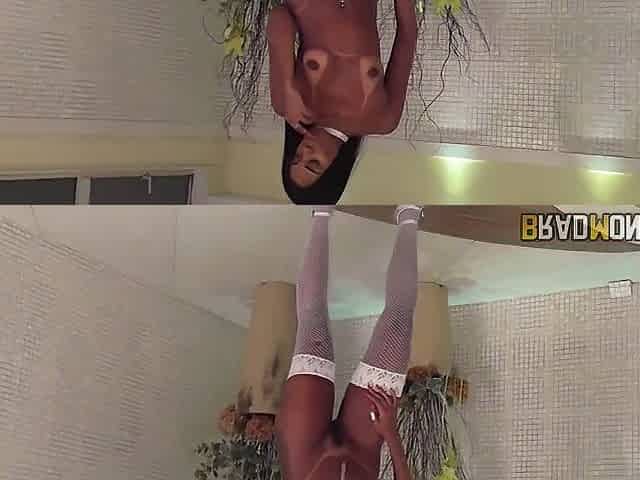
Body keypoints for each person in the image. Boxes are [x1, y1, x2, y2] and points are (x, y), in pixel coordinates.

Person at [276, 205, 422, 479]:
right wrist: (390, 433)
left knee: (313, 323)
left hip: (305, 457)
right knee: (399, 323)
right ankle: (409, 216)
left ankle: (321, 212)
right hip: (361, 452)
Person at [267, 0, 418, 204]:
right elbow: (407, 36)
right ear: (335, 167)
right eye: (314, 163)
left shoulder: (288, 106)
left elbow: (278, 16)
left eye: (297, 158)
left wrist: (288, 87)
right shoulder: (382, 120)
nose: (305, 151)